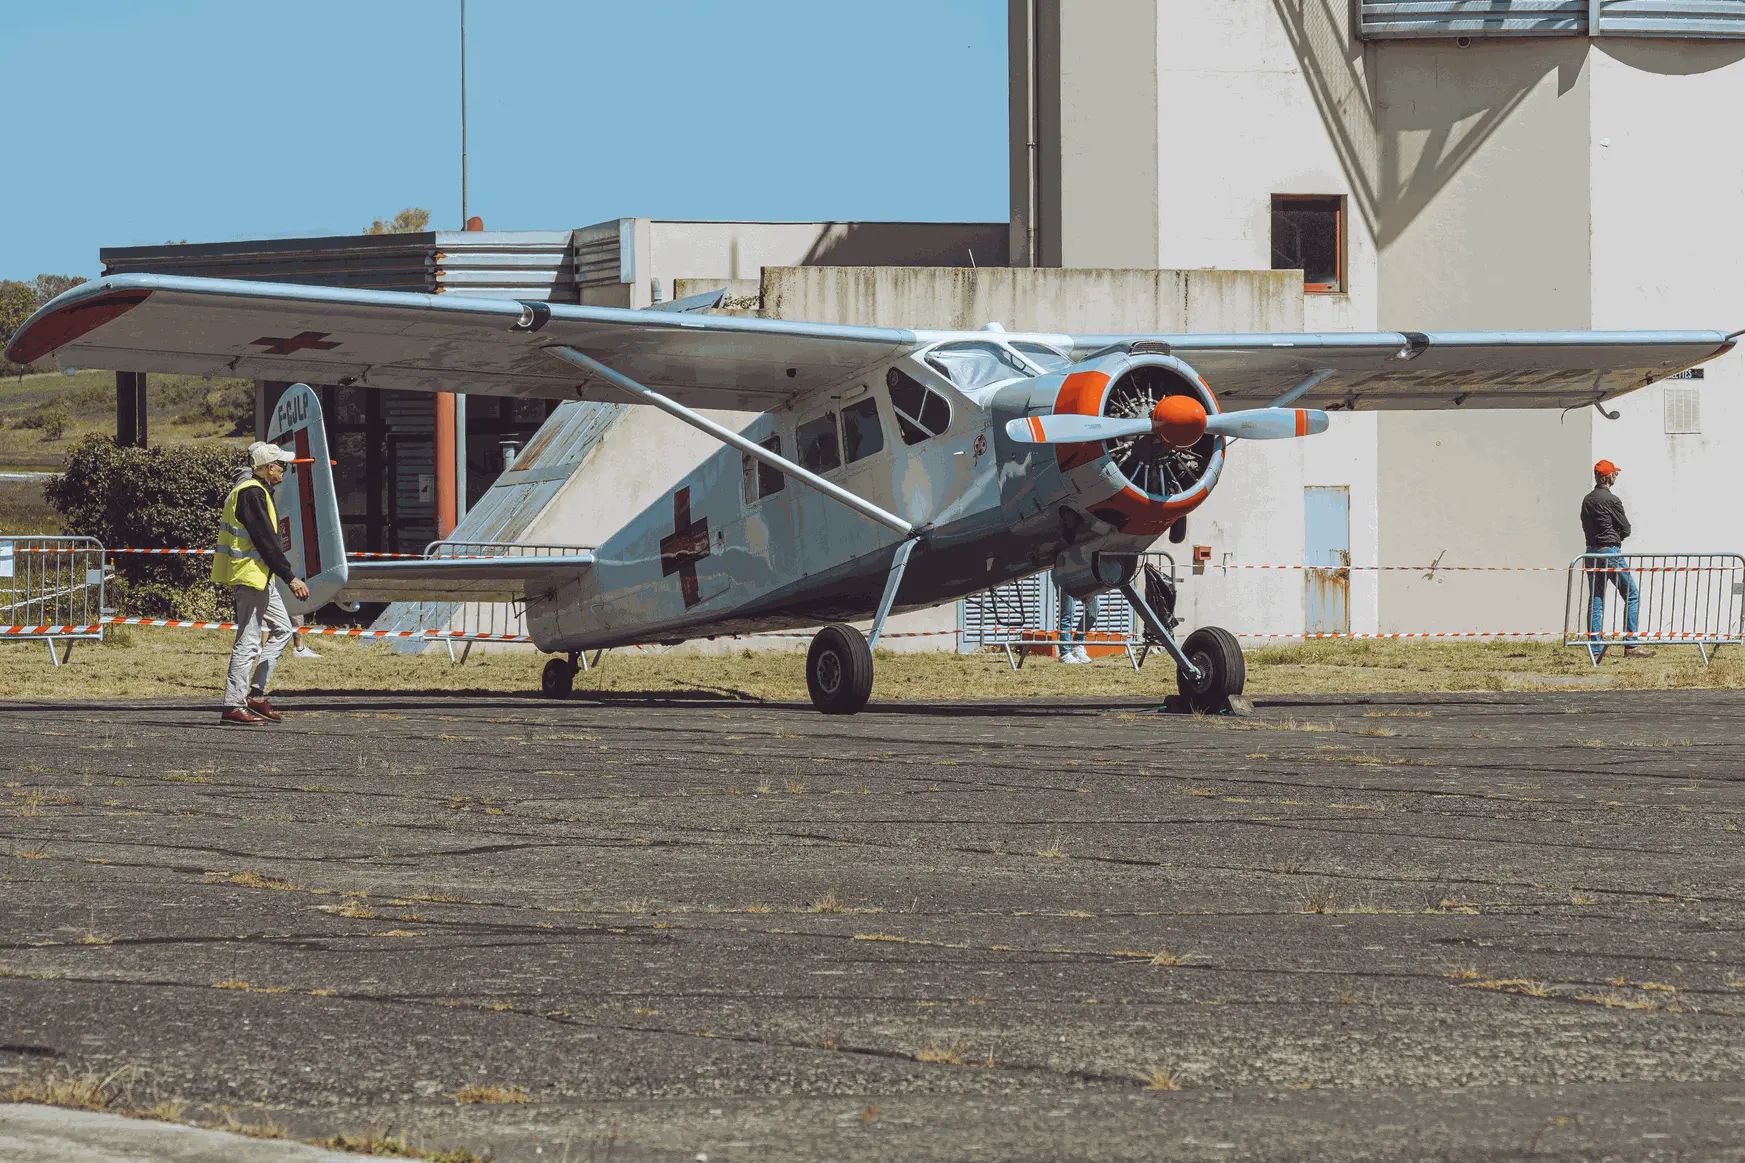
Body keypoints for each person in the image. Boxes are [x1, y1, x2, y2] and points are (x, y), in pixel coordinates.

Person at [212, 442, 310, 723]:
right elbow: (266, 542)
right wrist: (290, 578)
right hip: (251, 575)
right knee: (248, 640)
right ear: (269, 468)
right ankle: (233, 705)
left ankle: (253, 693)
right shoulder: (252, 494)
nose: (284, 469)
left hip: (260, 575)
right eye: (282, 465)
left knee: (282, 629)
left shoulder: (256, 491)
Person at [1580, 458, 1654, 661]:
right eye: (1614, 474)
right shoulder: (1612, 500)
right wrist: (1617, 537)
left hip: (1591, 552)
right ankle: (1631, 645)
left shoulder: (1587, 500)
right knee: (1631, 594)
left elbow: (1585, 525)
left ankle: (1595, 648)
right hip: (1610, 552)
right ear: (1609, 476)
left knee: (1596, 600)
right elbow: (1626, 528)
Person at [1054, 575, 1100, 665]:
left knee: (1094, 608)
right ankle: (1065, 653)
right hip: (1066, 574)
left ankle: (1077, 644)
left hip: (1086, 575)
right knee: (1068, 612)